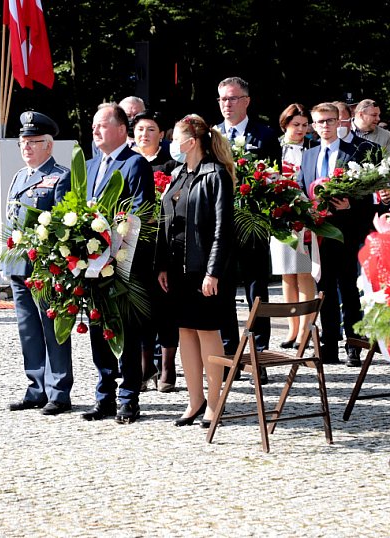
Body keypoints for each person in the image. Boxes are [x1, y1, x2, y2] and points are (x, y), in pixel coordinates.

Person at [154, 114, 234, 428]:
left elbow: (221, 229)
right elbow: (166, 223)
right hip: (176, 268)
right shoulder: (177, 174)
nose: (172, 144)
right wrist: (161, 264)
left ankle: (215, 401)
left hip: (202, 269)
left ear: (191, 141)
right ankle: (195, 399)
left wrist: (212, 272)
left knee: (207, 331)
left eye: (176, 138)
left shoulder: (216, 175)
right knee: (185, 332)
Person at [83, 102, 155, 424]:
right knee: (99, 331)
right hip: (92, 267)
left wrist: (112, 248)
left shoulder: (135, 164)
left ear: (122, 129)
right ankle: (105, 397)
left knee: (126, 334)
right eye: (94, 125)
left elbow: (140, 214)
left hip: (123, 267)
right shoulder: (88, 166)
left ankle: (129, 397)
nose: (95, 130)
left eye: (102, 125)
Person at [1, 111, 73, 416]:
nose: (27, 147)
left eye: (34, 142)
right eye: (23, 142)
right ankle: (36, 388)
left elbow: (62, 226)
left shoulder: (59, 176)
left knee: (51, 329)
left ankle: (60, 391)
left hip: (45, 267)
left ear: (49, 145)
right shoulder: (20, 176)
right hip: (20, 265)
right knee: (28, 330)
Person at [296, 102, 371, 366]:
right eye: (319, 122)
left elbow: (371, 194)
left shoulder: (358, 152)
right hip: (319, 234)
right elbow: (301, 189)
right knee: (323, 290)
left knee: (349, 289)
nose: (325, 126)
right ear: (313, 126)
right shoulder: (309, 155)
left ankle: (354, 344)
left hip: (346, 231)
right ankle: (329, 346)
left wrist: (352, 204)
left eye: (329, 121)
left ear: (339, 122)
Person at [216, 76, 279, 384]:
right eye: (222, 99)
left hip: (253, 224)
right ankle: (229, 352)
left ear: (246, 101)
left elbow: (275, 178)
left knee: (257, 289)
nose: (227, 104)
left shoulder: (265, 135)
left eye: (232, 98)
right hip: (221, 226)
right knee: (223, 289)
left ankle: (258, 352)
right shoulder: (212, 135)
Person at [130, 109, 179, 392]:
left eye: (150, 130)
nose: (144, 134)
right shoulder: (130, 163)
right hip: (137, 246)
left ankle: (168, 366)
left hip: (166, 244)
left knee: (166, 308)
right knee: (142, 309)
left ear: (161, 134)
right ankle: (145, 364)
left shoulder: (171, 165)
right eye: (139, 129)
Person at [271, 103, 316, 349]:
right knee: (286, 273)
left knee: (304, 272)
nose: (301, 129)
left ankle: (306, 329)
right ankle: (292, 327)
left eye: (304, 125)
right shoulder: (276, 147)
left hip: (305, 214)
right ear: (285, 124)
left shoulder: (313, 148)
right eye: (295, 124)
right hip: (280, 215)